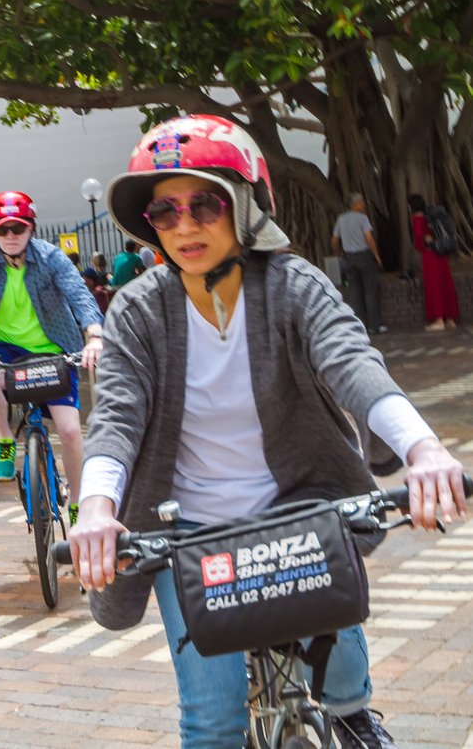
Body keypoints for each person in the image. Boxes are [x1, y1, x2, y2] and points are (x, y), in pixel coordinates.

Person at [69, 114, 467, 749]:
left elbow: (352, 365)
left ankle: (353, 714)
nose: (185, 225)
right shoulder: (138, 310)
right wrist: (96, 510)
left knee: (344, 691)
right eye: (164, 213)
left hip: (297, 514)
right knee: (213, 722)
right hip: (186, 532)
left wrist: (424, 448)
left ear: (246, 205)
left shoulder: (292, 285)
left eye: (204, 202)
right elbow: (116, 414)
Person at [0, 191, 103, 522]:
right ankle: (5, 439)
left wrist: (94, 336)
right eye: (2, 230)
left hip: (53, 348)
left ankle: (77, 504)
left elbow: (80, 297)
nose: (10, 236)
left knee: (71, 431)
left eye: (17, 228)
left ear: (31, 228)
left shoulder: (51, 258)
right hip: (1, 347)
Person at [332, 193, 387, 334]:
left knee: (355, 292)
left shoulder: (341, 219)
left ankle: (359, 326)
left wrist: (339, 253)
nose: (364, 205)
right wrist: (376, 255)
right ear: (356, 204)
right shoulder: (363, 218)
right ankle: (375, 326)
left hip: (349, 258)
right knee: (370, 291)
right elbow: (368, 237)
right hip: (364, 257)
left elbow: (334, 239)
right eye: (362, 202)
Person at [409, 194, 460, 332]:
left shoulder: (418, 218)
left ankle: (438, 320)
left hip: (430, 256)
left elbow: (419, 239)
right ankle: (450, 319)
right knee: (445, 285)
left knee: (434, 287)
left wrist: (421, 245)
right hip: (441, 254)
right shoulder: (431, 215)